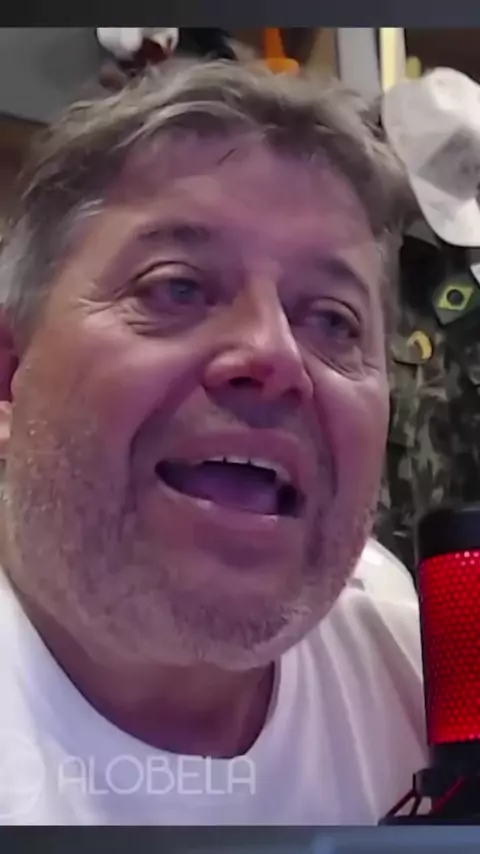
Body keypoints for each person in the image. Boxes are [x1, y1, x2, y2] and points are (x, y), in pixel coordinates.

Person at [0, 60, 426, 825]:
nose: (274, 355)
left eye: (333, 321)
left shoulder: (417, 675)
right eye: (177, 287)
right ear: (9, 375)